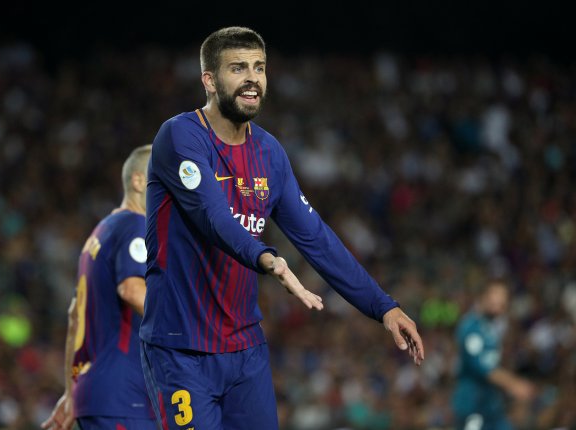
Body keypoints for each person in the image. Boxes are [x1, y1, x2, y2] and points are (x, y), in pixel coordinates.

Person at [140, 26, 424, 430]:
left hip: (245, 350)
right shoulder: (180, 136)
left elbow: (317, 238)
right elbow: (213, 217)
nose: (252, 78)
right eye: (238, 68)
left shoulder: (269, 153)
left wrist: (383, 306)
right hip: (181, 349)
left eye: (259, 67)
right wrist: (267, 258)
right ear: (209, 80)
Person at [42, 145, 156, 430]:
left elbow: (74, 316)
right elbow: (132, 289)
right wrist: (189, 322)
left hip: (97, 393)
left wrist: (71, 393)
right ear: (139, 181)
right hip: (125, 394)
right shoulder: (136, 225)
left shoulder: (101, 232)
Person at [453, 279, 535, 430]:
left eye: (503, 298)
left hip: (491, 405)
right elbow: (482, 367)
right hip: (473, 404)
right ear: (483, 297)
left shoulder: (490, 327)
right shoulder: (471, 326)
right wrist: (513, 384)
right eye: (495, 296)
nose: (500, 301)